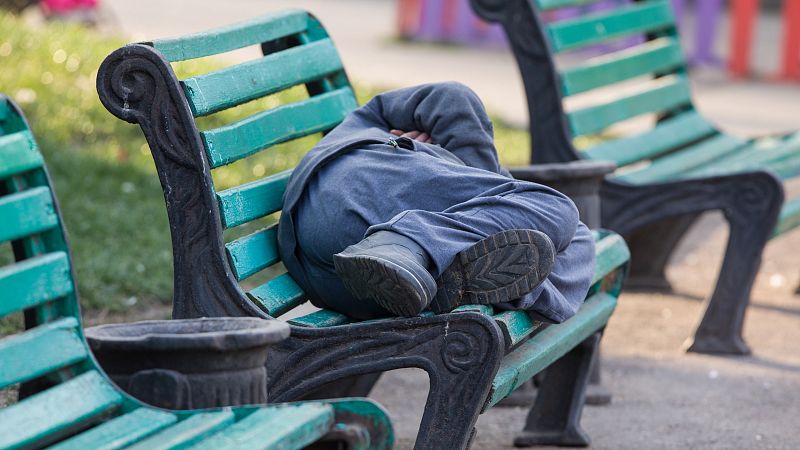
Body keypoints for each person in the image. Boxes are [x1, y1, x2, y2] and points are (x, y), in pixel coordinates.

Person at [277, 82, 595, 322]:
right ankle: (414, 249)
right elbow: (454, 98)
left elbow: (450, 97)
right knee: (563, 218)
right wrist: (485, 184)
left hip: (330, 275)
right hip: (366, 198)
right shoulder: (387, 134)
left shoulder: (369, 123)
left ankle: (441, 269)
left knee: (566, 235)